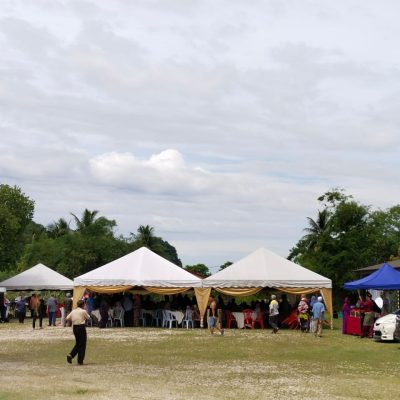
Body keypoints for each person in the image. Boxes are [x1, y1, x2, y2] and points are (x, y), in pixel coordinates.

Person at [66, 299, 90, 365]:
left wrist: (74, 319)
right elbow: (88, 317)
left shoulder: (73, 311)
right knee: (82, 344)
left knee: (78, 343)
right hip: (81, 327)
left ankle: (76, 358)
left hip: (75, 328)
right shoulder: (83, 311)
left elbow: (67, 318)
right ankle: (75, 357)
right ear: (83, 305)